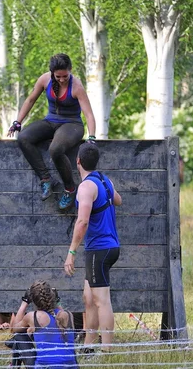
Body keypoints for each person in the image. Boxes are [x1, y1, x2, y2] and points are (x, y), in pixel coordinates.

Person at [7, 53, 96, 211]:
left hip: (72, 124)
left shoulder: (76, 86)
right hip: (50, 121)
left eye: (65, 76)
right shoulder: (45, 79)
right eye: (58, 76)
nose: (61, 80)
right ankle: (45, 179)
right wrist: (17, 122)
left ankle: (69, 188)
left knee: (55, 149)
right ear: (52, 73)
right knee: (23, 138)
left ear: (70, 70)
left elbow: (88, 113)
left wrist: (92, 137)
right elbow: (30, 100)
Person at [64, 143, 122, 353]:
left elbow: (82, 222)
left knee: (101, 300)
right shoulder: (105, 181)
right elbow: (118, 200)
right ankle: (88, 346)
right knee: (89, 298)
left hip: (99, 249)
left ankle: (107, 351)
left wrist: (71, 252)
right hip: (109, 247)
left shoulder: (86, 187)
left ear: (77, 161)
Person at [10, 280, 78, 368]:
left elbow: (14, 329)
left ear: (33, 300)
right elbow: (61, 317)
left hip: (45, 367)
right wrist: (57, 302)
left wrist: (24, 302)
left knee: (19, 336)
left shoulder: (33, 316)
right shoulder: (68, 314)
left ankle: (13, 366)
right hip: (71, 366)